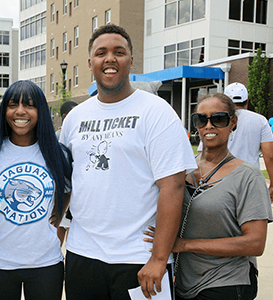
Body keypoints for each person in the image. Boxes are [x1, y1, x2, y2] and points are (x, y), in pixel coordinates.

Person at [59, 24, 197, 299]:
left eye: (119, 52)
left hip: (139, 257)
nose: (110, 59)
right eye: (101, 53)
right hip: (82, 254)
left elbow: (173, 187)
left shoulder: (156, 111)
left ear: (130, 61)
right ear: (90, 63)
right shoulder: (75, 118)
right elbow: (68, 183)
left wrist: (159, 259)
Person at [145, 93, 273, 300]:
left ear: (233, 122)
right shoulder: (182, 170)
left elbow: (254, 243)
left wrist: (183, 244)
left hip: (226, 282)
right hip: (183, 283)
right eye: (201, 119)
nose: (209, 126)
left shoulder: (248, 176)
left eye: (219, 118)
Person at [0, 80, 72, 300]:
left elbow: (67, 188)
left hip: (46, 262)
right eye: (13, 105)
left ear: (40, 110)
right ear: (5, 110)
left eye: (29, 105)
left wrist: (59, 215)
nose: (20, 111)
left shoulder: (57, 153)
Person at [198, 82, 273, 203]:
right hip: (249, 181)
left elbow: (202, 152)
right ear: (247, 101)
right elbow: (270, 155)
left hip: (218, 180)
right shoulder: (260, 120)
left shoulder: (215, 119)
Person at [55, 100, 77, 246]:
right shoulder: (57, 135)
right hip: (65, 187)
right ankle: (56, 252)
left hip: (76, 190)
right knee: (61, 226)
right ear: (65, 116)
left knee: (71, 227)